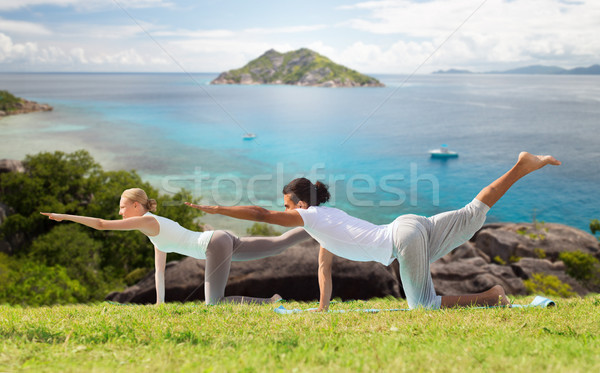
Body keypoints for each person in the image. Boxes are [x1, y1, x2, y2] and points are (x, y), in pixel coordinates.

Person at [186, 152, 561, 311]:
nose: (285, 212)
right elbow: (323, 268)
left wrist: (217, 209)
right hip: (410, 225)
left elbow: (260, 215)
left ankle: (493, 297)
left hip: (402, 238)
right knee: (473, 211)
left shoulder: (310, 216)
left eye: (287, 205)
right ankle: (522, 166)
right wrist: (321, 308)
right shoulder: (328, 220)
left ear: (300, 204)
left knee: (424, 307)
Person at [41, 188, 311, 305]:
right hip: (220, 239)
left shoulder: (146, 221)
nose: (120, 212)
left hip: (214, 245)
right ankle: (318, 227)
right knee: (278, 245)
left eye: (123, 207)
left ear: (136, 205)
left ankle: (271, 302)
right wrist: (160, 303)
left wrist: (65, 216)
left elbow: (101, 224)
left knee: (213, 305)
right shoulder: (153, 230)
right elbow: (159, 273)